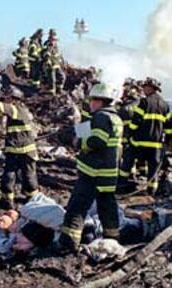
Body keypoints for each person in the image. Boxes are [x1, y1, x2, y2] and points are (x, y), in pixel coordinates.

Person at [59, 83, 123, 253]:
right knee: (107, 206)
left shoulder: (102, 117)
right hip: (108, 173)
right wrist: (77, 130)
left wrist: (77, 142)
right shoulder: (115, 117)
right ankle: (112, 238)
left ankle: (68, 243)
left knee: (77, 207)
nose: (91, 103)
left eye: (94, 100)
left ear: (103, 101)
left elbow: (97, 141)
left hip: (93, 172)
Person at [0, 86, 38, 209]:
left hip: (26, 151)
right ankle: (7, 201)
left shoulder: (19, 109)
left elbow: (5, 108)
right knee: (9, 176)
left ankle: (31, 198)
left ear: (14, 99)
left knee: (29, 177)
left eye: (7, 98)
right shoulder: (17, 111)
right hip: (13, 150)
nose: (5, 100)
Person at [118, 77, 172, 195]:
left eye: (145, 87)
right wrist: (167, 142)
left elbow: (135, 121)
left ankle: (121, 185)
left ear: (151, 88)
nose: (143, 90)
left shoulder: (144, 102)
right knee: (153, 171)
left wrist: (130, 136)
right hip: (156, 145)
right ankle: (151, 192)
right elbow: (169, 127)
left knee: (128, 161)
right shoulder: (165, 105)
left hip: (139, 142)